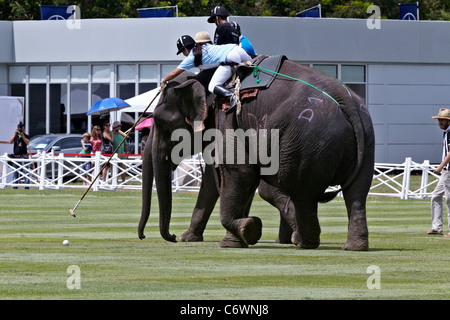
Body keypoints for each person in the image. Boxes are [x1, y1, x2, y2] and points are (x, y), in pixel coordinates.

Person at [161, 31, 251, 110]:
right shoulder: (205, 46)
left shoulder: (192, 56)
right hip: (237, 49)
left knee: (212, 86)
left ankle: (232, 97)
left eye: (182, 51)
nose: (183, 54)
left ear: (185, 49)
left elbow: (174, 73)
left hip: (231, 57)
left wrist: (164, 81)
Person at [429, 108, 450, 238]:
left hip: (448, 171)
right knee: (436, 195)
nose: (440, 122)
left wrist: (440, 167)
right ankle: (437, 227)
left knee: (449, 199)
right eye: (439, 120)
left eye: (443, 120)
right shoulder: (446, 133)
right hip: (446, 171)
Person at [8, 121, 30, 189]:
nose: (20, 130)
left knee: (25, 172)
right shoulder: (16, 136)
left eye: (22, 128)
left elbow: (27, 143)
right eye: (19, 128)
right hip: (16, 157)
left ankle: (26, 187)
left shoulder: (26, 136)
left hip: (23, 156)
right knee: (15, 172)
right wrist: (15, 133)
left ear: (24, 129)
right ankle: (15, 187)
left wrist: (22, 135)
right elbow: (10, 141)